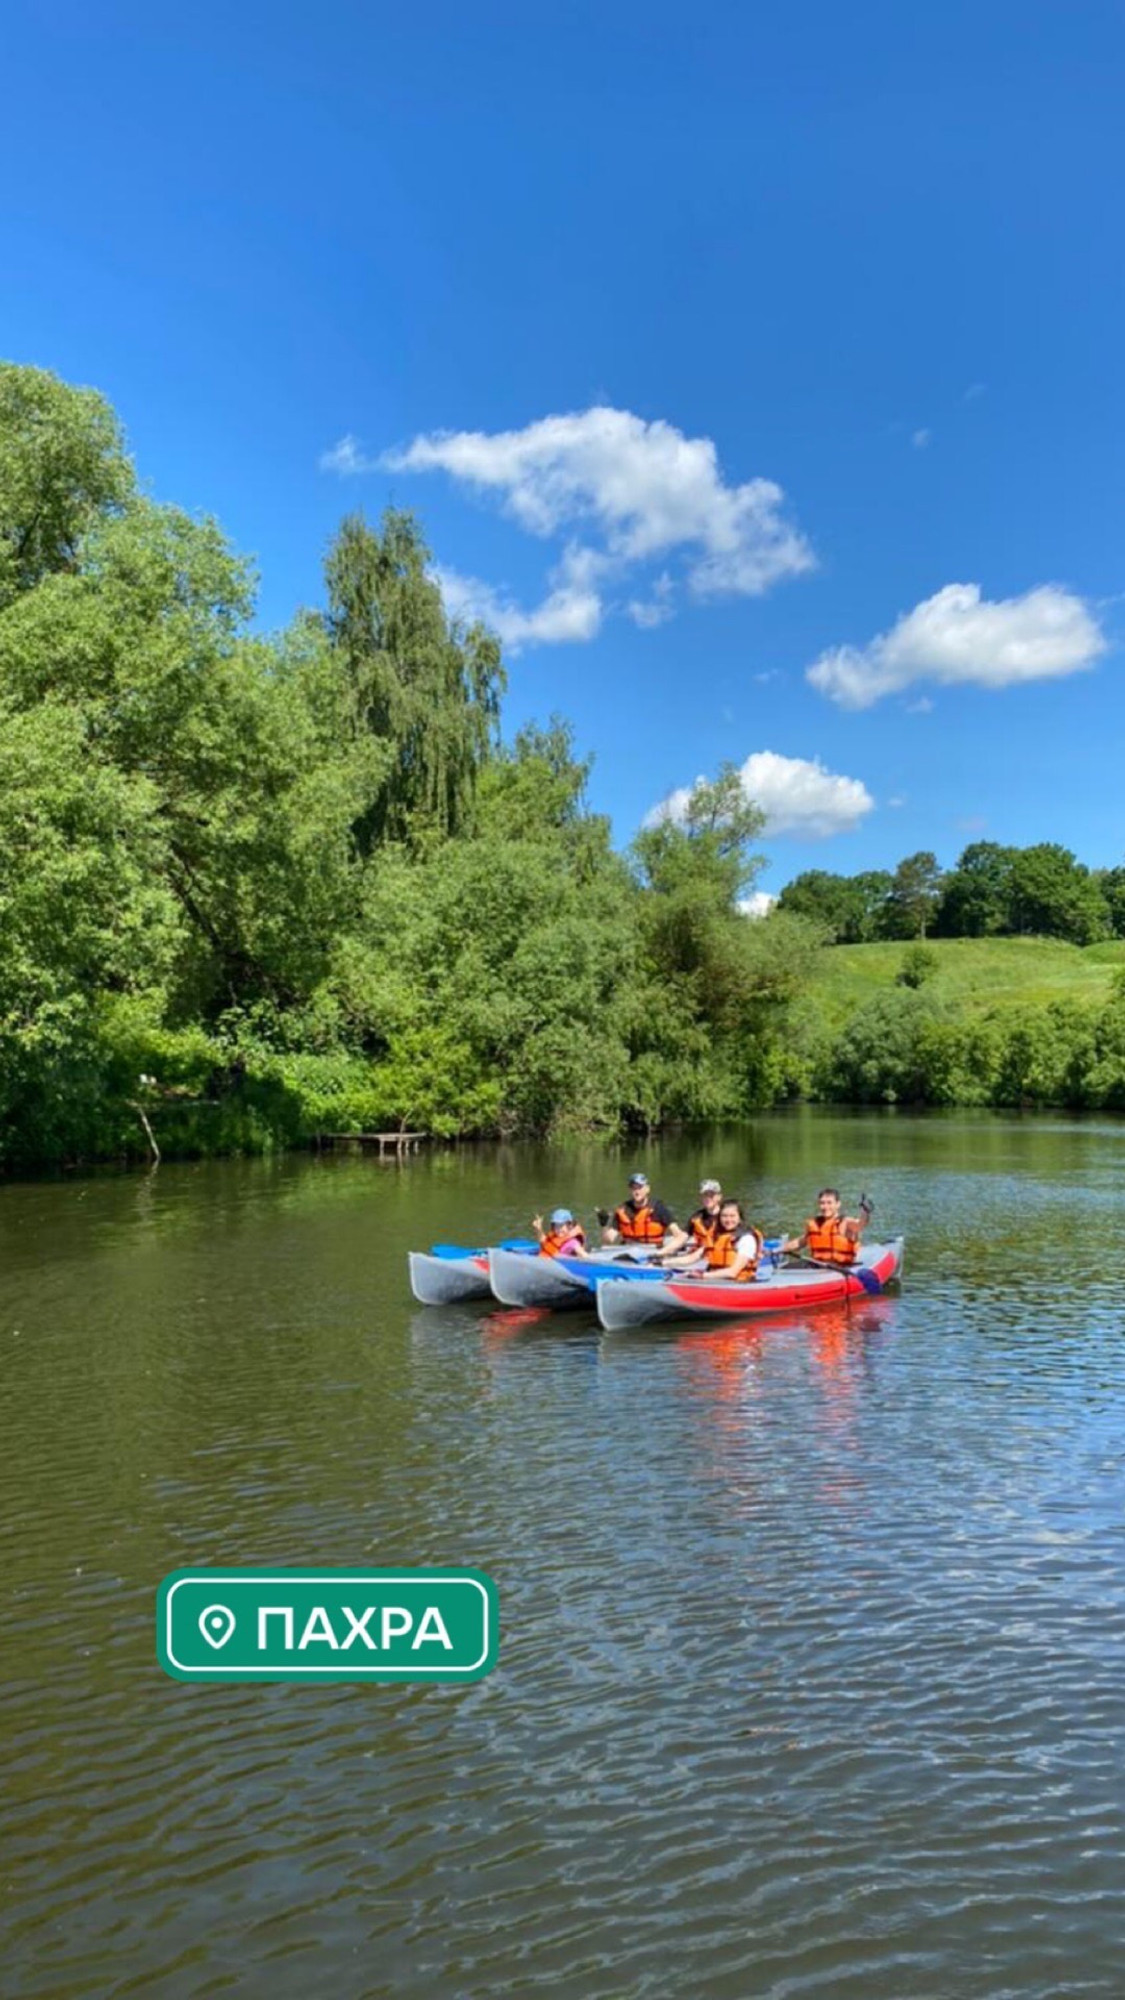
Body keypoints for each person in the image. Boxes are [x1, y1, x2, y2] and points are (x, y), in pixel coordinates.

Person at [664, 1197, 763, 1281]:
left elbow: (733, 1272)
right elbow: (692, 1258)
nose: (728, 1220)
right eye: (724, 1216)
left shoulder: (746, 1239)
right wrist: (663, 1262)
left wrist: (702, 1275)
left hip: (738, 1284)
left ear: (740, 1218)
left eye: (732, 1216)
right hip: (717, 1281)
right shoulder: (717, 1236)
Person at [599, 1172, 687, 1251]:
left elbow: (677, 1234)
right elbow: (608, 1241)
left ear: (647, 1189)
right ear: (630, 1190)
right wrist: (604, 1225)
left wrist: (673, 1250)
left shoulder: (658, 1209)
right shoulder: (623, 1210)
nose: (637, 1192)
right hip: (628, 1252)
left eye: (640, 1188)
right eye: (633, 1188)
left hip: (653, 1252)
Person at [783, 1188, 872, 1266]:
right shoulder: (815, 1223)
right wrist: (778, 1250)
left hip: (840, 1268)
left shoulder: (845, 1222)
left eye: (829, 1203)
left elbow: (860, 1224)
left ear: (838, 1204)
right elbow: (800, 1242)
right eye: (822, 1203)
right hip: (818, 1267)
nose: (825, 1207)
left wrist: (865, 1211)